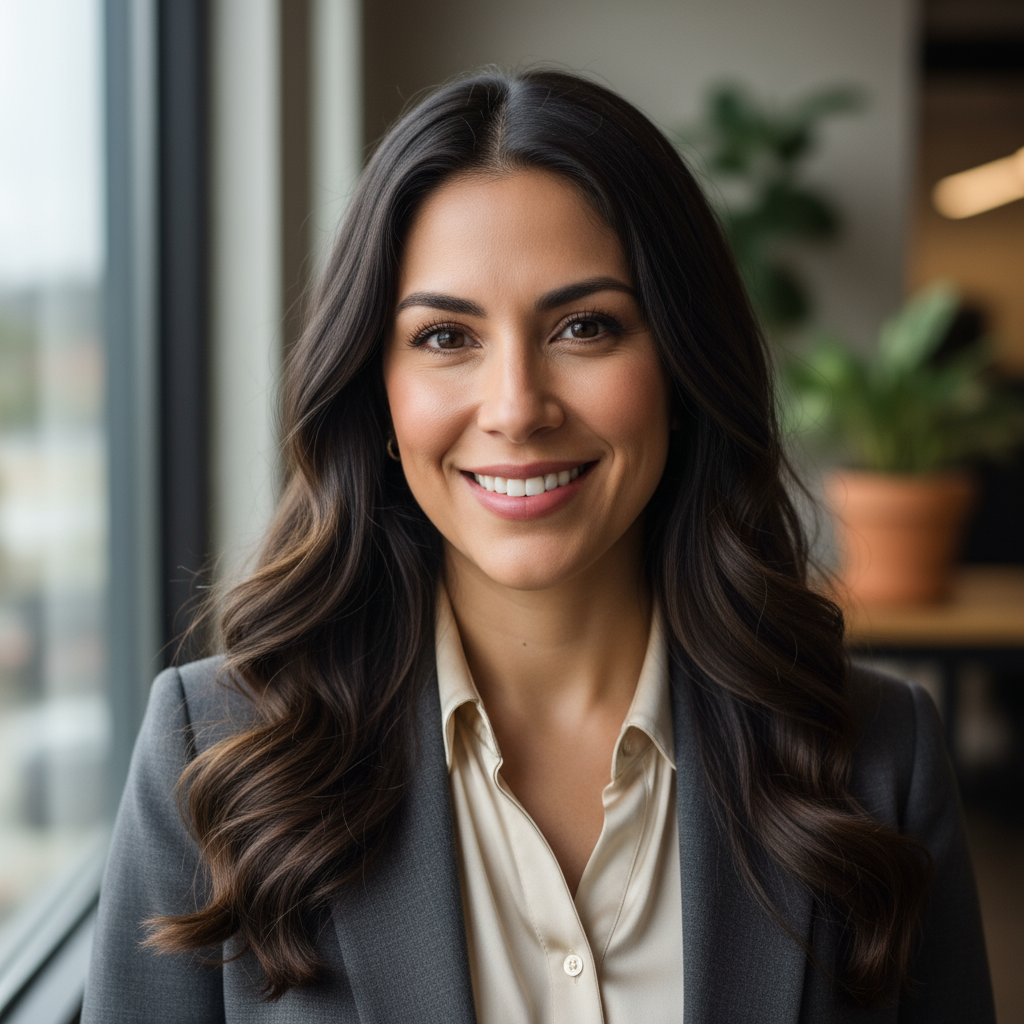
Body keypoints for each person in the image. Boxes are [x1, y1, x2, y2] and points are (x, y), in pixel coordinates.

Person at [81, 69, 995, 1023]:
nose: (517, 408)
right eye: (445, 337)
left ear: (680, 368)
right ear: (376, 394)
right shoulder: (217, 757)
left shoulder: (877, 757)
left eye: (585, 327)